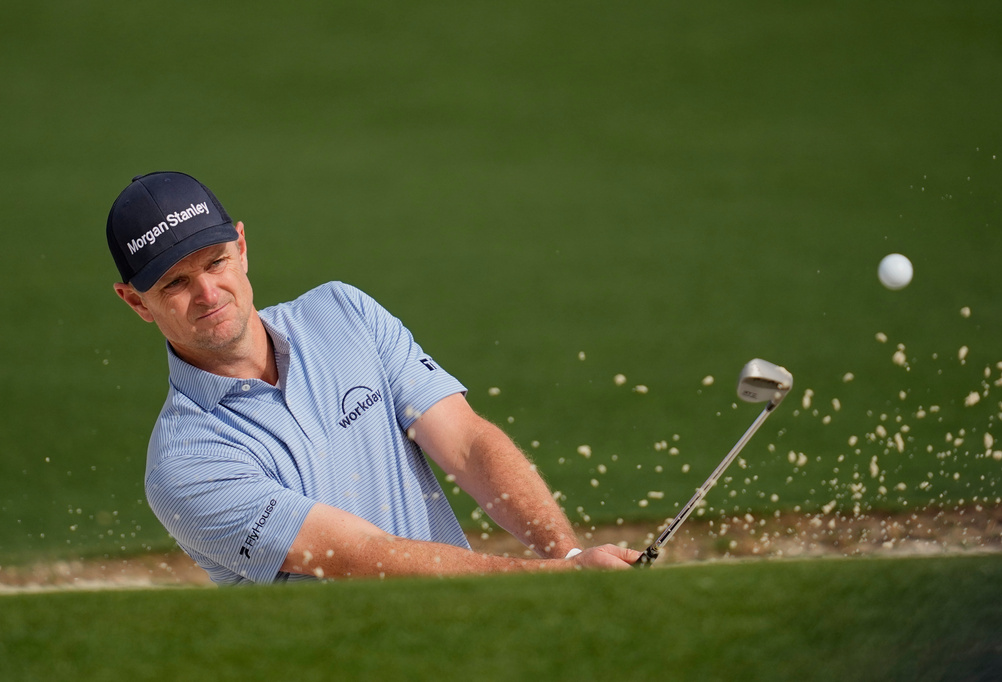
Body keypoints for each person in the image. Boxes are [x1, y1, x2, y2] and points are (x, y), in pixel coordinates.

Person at [107, 171, 639, 585]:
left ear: (242, 247)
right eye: (176, 282)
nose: (208, 293)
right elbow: (364, 557)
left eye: (217, 262)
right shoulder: (185, 463)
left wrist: (565, 555)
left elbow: (467, 443)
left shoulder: (342, 313)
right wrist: (557, 580)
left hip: (473, 636)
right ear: (136, 302)